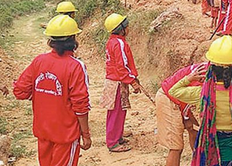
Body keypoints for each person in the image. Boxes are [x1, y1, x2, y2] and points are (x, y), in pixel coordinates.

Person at [168, 36, 232, 166]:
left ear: (210, 69)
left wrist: (189, 78)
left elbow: (173, 91)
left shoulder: (201, 95)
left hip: (210, 149)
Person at [13, 14, 91, 165]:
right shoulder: (75, 66)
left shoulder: (39, 61)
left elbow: (20, 91)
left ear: (51, 40)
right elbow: (80, 105)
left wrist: (42, 95)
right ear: (73, 39)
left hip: (43, 131)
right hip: (66, 134)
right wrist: (85, 134)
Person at [156, 49, 232, 166]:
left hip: (180, 100)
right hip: (169, 97)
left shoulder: (216, 72)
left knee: (195, 133)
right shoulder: (210, 78)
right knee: (176, 147)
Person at [100, 13, 140, 152]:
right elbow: (121, 66)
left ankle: (117, 135)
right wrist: (132, 81)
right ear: (121, 28)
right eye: (127, 26)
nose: (129, 28)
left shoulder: (112, 41)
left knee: (119, 111)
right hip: (117, 83)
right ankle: (112, 142)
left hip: (116, 81)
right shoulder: (119, 43)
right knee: (116, 112)